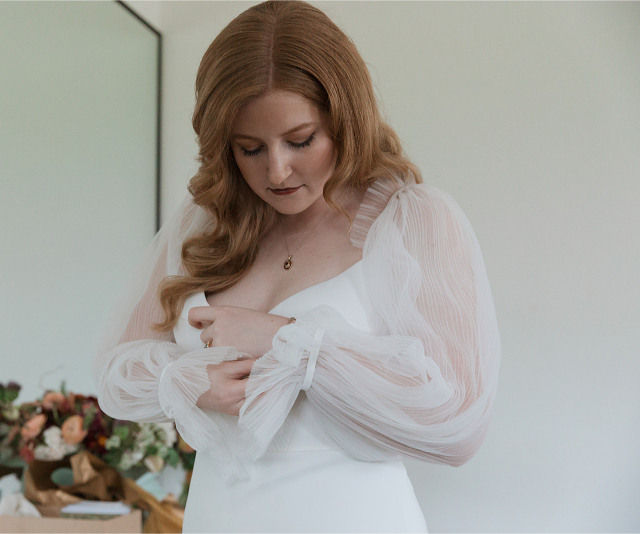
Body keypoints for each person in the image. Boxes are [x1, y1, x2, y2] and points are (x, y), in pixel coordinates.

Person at [93, 1, 501, 532]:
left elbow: (455, 423)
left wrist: (290, 340)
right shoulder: (204, 222)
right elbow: (114, 376)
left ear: (345, 118)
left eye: (300, 140)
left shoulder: (411, 223)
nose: (277, 170)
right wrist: (186, 381)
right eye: (249, 148)